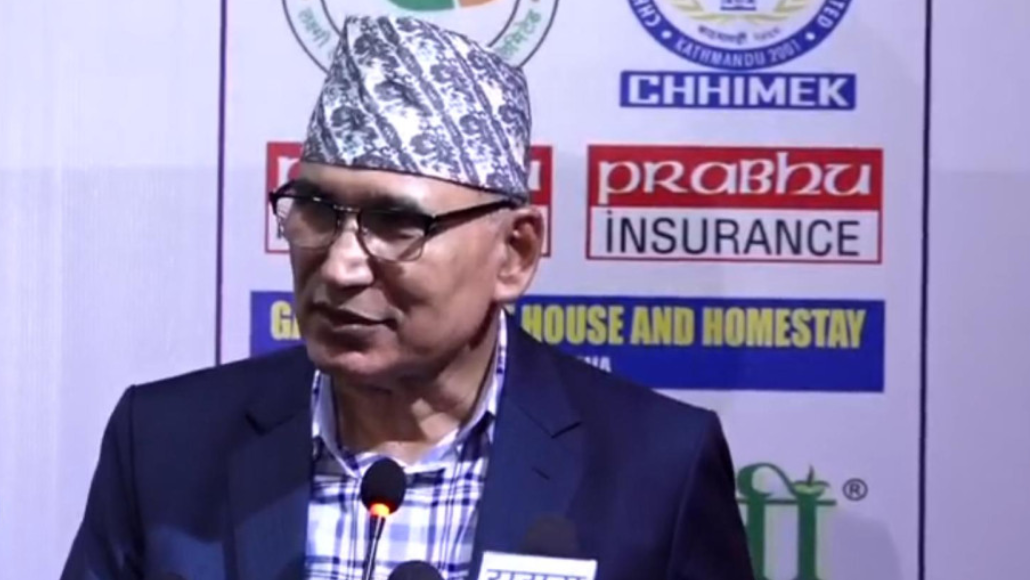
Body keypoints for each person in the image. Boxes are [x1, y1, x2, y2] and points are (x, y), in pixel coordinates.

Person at [61, 14, 754, 580]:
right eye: (316, 210)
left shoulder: (653, 467)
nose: (340, 267)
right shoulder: (165, 444)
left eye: (397, 224)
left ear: (514, 254)